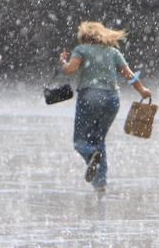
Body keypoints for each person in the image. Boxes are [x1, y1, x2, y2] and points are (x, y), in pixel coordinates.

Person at [59, 21, 151, 193]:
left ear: (84, 36)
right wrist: (142, 90)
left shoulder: (82, 49)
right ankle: (100, 183)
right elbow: (129, 75)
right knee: (99, 140)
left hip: (90, 97)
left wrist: (63, 62)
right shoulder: (113, 52)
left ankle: (90, 154)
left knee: (80, 142)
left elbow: (70, 70)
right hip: (112, 99)